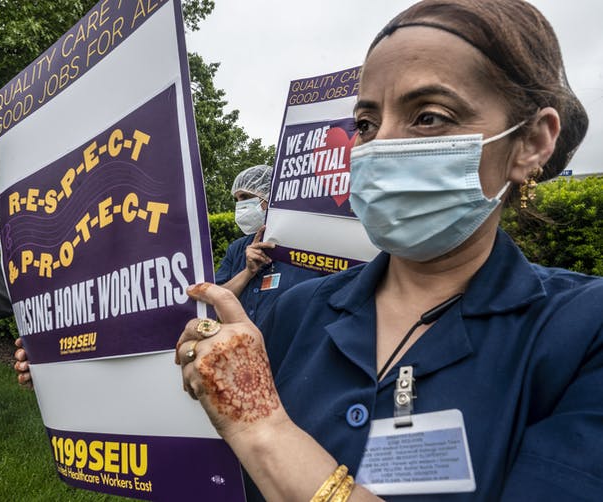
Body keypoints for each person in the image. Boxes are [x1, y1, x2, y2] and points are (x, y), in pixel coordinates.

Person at [173, 1, 603, 500]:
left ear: (530, 142)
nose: (380, 148)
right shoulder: (297, 311)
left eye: (429, 117)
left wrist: (261, 427)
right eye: (366, 124)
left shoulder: (583, 331)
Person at [217, 164, 322, 327]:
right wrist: (248, 273)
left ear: (270, 195)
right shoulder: (236, 249)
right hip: (243, 348)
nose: (240, 205)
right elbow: (216, 302)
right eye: (237, 199)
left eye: (245, 197)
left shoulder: (307, 244)